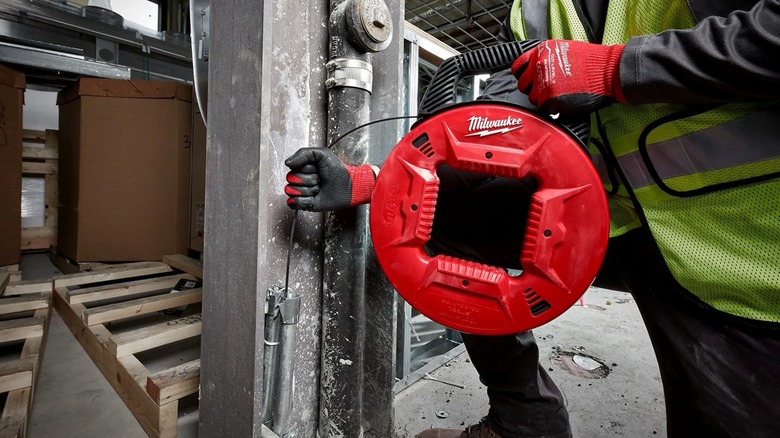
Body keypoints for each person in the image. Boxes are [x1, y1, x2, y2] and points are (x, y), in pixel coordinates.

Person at [284, 1, 780, 437]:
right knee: (448, 220)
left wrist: (617, 69)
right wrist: (375, 181)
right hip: (602, 220)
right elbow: (484, 135)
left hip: (738, 248)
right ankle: (525, 420)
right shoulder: (532, 9)